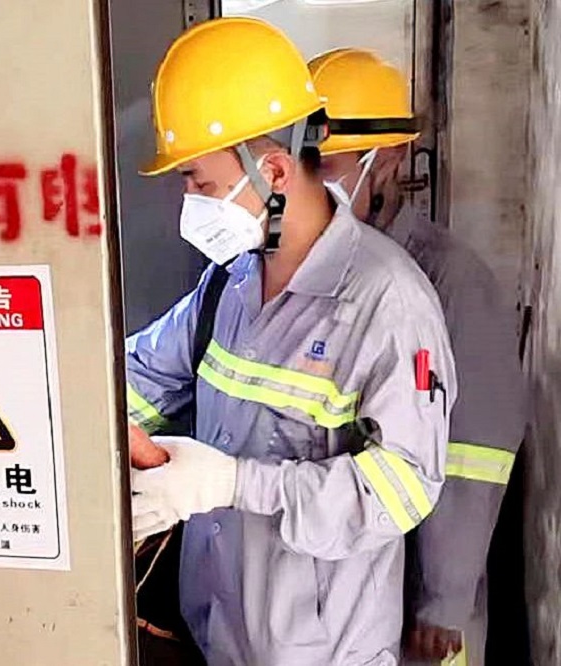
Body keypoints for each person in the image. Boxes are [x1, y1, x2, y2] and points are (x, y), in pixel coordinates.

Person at [125, 17, 458, 665]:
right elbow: (143, 376)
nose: (188, 200)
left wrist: (235, 485)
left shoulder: (385, 302)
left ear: (274, 171)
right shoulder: (230, 283)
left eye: (200, 182)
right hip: (218, 634)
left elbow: (402, 488)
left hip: (324, 652)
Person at [308, 47, 527, 666]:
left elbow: (476, 450)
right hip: (337, 582)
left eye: (329, 164)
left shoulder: (448, 279)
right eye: (303, 163)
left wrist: (443, 599)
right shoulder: (306, 272)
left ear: (390, 158)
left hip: (413, 602)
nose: (310, 183)